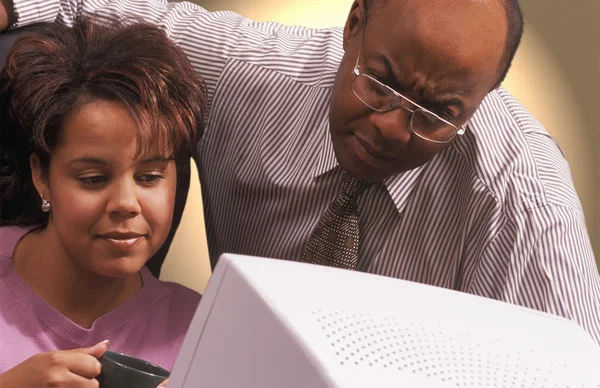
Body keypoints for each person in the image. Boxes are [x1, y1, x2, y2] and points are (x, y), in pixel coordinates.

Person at [1, 0, 599, 345]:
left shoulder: (521, 194)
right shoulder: (250, 73)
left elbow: (575, 368)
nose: (392, 127)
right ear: (354, 24)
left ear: (485, 99)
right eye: (381, 81)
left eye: (437, 114)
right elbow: (111, 10)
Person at [0, 16, 206, 386]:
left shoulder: (202, 329)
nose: (127, 203)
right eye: (94, 179)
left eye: (149, 177)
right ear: (41, 176)